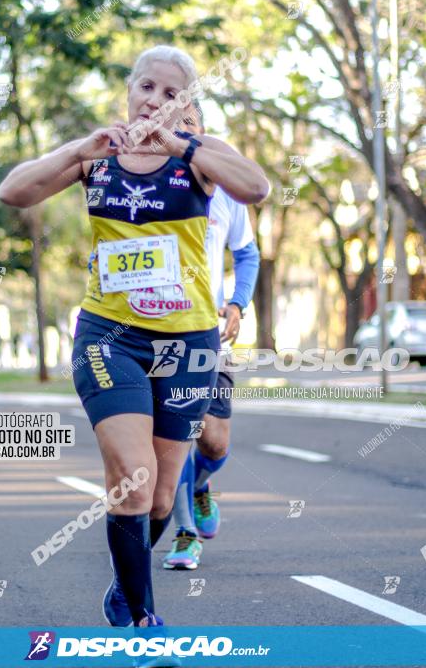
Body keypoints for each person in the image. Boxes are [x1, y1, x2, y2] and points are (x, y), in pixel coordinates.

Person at [0, 45, 269, 632]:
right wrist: (79, 148)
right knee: (132, 476)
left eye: (173, 95)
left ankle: (126, 584)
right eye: (148, 87)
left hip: (187, 344)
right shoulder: (98, 159)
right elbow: (13, 192)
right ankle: (142, 618)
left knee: (162, 497)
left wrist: (184, 145)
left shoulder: (200, 156)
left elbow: (256, 188)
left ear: (187, 105)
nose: (156, 101)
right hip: (109, 337)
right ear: (129, 89)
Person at [163, 103, 260, 571]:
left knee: (215, 443)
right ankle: (183, 533)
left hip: (209, 335)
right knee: (178, 435)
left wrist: (238, 303)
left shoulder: (224, 189)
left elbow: (247, 253)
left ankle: (200, 486)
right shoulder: (142, 183)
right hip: (156, 334)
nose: (179, 131)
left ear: (202, 133)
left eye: (189, 124)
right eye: (171, 122)